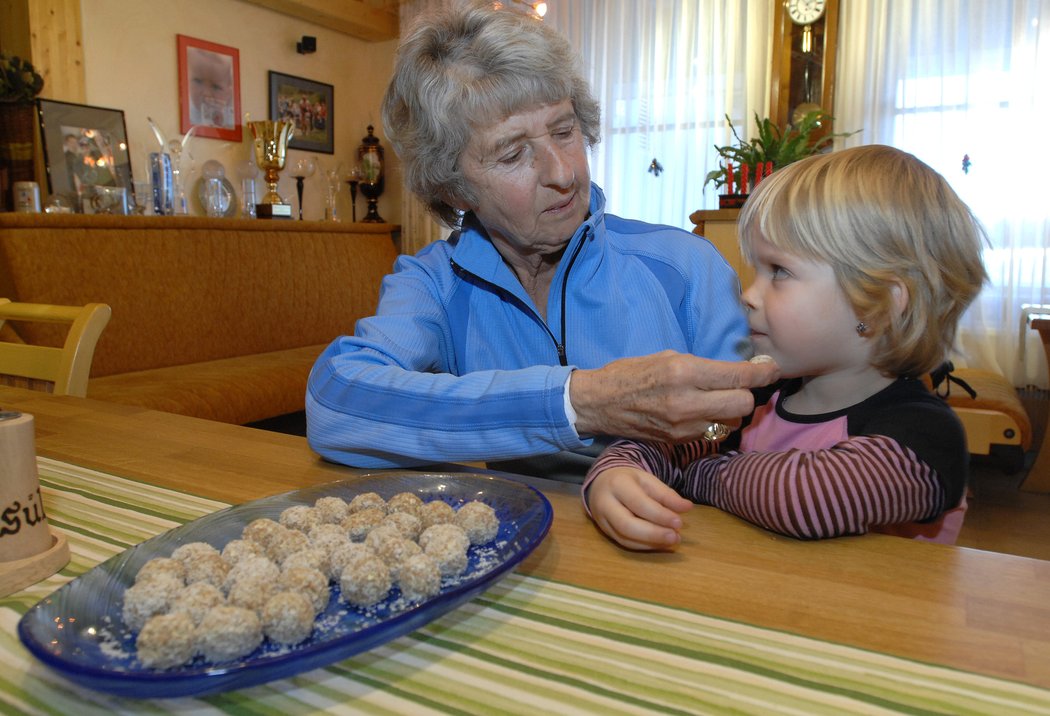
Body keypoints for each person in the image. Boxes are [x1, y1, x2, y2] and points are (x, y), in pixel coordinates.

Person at [305, 3, 778, 482]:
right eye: (513, 154)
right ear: (452, 187)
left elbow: (753, 444)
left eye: (565, 130)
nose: (564, 172)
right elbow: (334, 403)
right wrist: (580, 402)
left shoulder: (684, 266)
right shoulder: (433, 282)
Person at [583, 145, 988, 548]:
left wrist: (697, 473)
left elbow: (805, 499)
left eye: (779, 271)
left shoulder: (924, 434)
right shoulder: (756, 398)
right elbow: (675, 441)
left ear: (879, 305)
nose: (748, 295)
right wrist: (618, 472)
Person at [186, 46, 235, 130]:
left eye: (216, 87)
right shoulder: (187, 112)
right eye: (198, 81)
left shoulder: (231, 116)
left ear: (229, 93)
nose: (206, 93)